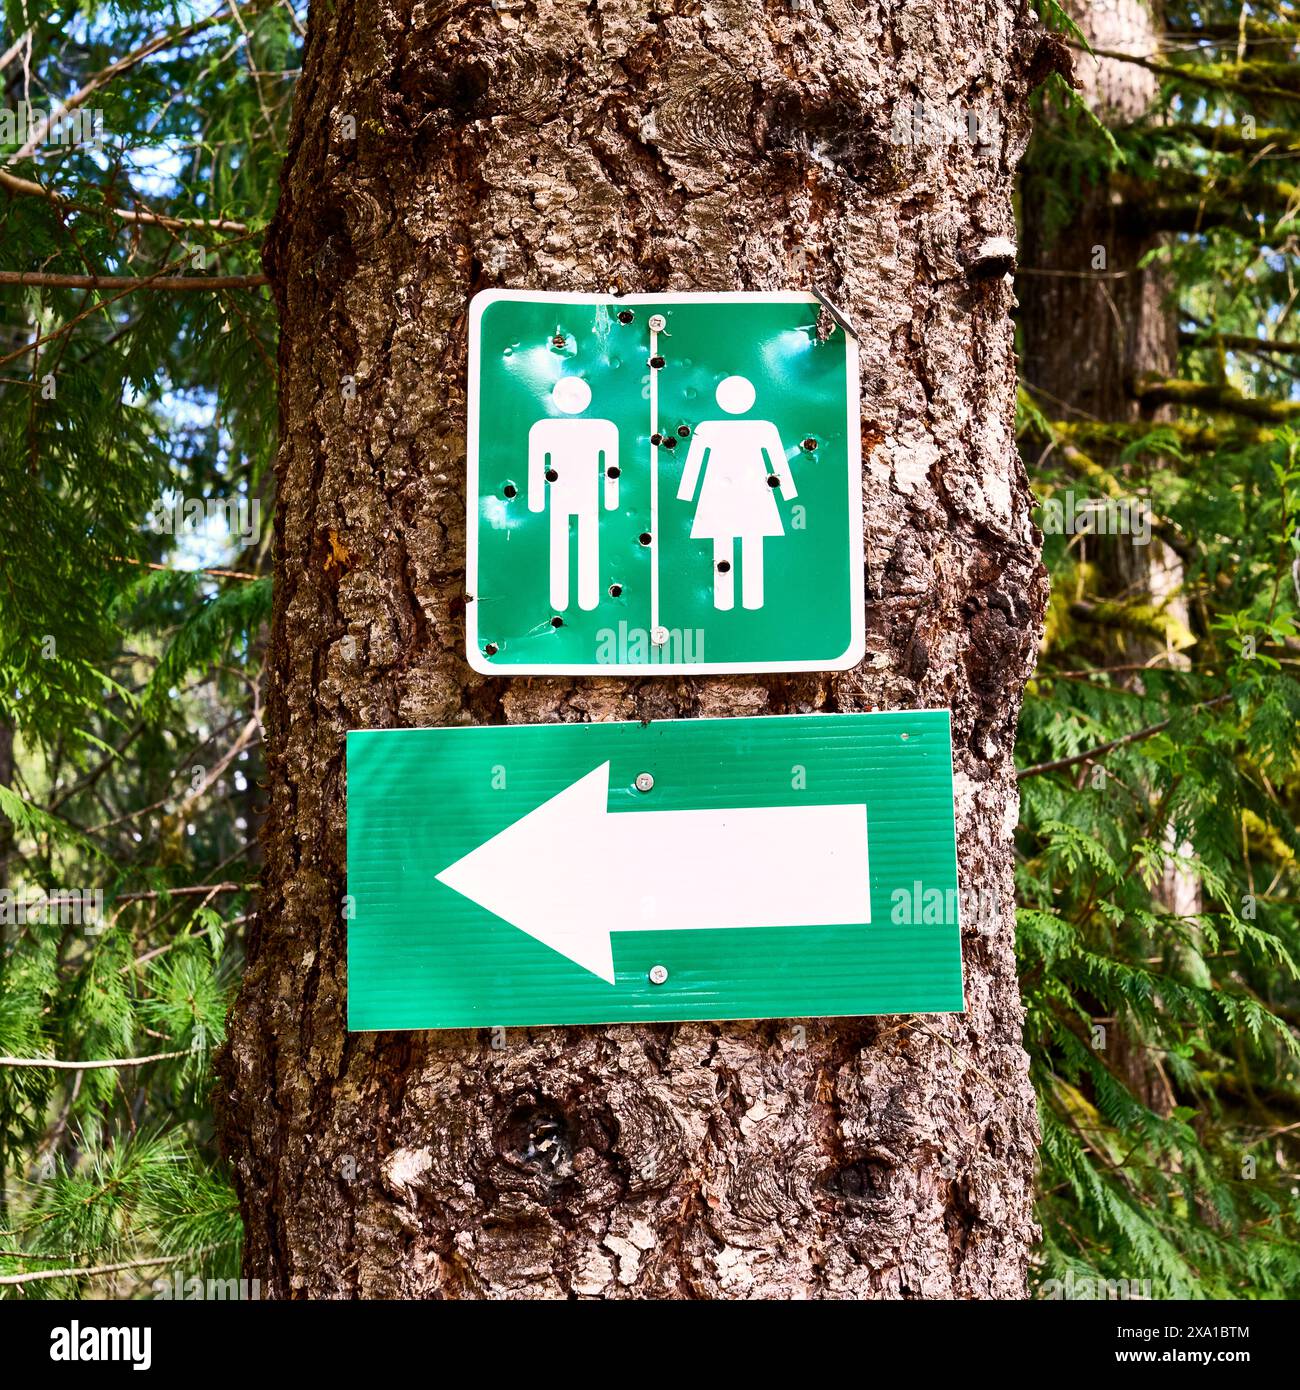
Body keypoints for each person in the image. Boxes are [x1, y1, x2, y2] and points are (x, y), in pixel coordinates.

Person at [675, 375, 797, 610]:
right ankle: (726, 600)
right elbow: (694, 463)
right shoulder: (709, 429)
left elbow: (779, 464)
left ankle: (750, 601)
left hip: (751, 491)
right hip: (726, 492)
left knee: (750, 543)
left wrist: (789, 492)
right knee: (728, 543)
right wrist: (686, 493)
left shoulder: (762, 428)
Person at [528, 377, 619, 612]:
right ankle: (560, 600)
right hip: (561, 496)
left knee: (587, 543)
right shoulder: (544, 429)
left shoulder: (603, 428)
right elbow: (536, 465)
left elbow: (612, 468)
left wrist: (611, 500)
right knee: (560, 543)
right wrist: (536, 499)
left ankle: (587, 599)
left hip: (587, 496)